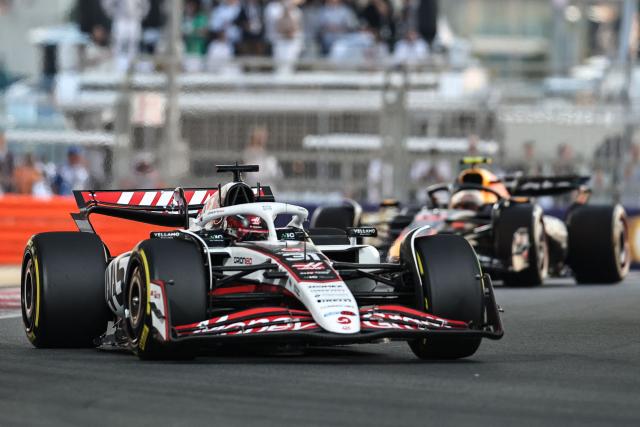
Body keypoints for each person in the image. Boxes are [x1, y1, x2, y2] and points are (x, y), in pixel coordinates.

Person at [101, 0, 151, 71]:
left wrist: (140, 15)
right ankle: (118, 66)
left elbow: (145, 5)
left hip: (134, 19)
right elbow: (107, 4)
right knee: (118, 43)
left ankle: (132, 65)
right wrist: (113, 14)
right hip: (120, 19)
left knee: (134, 43)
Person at [265, 0, 304, 74]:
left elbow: (296, 28)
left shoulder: (296, 10)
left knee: (290, 66)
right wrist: (287, 9)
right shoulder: (272, 8)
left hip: (293, 42)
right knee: (279, 67)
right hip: (278, 41)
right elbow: (279, 27)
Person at [183, 0, 209, 72]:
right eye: (188, 5)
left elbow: (204, 33)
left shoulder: (201, 17)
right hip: (185, 50)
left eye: (191, 5)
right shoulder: (183, 18)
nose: (189, 7)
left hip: (198, 51)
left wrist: (192, 31)